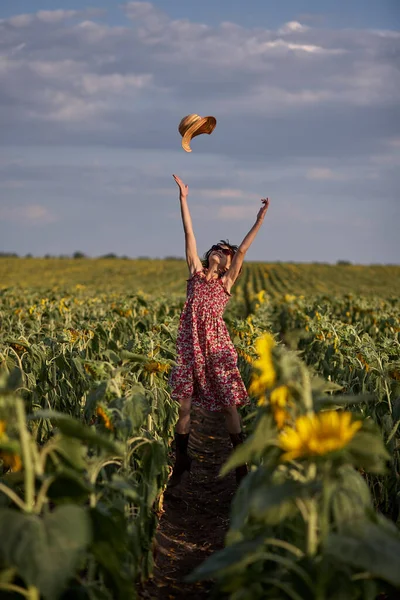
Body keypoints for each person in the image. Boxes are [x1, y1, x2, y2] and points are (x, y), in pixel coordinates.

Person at [168, 174, 270, 487]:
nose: (218, 250)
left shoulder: (226, 283)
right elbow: (189, 233)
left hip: (216, 347)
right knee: (183, 406)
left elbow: (243, 252)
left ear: (227, 264)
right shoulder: (194, 274)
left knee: (228, 406)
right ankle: (183, 458)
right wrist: (183, 199)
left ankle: (241, 468)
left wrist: (259, 220)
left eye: (224, 250)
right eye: (216, 247)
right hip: (189, 346)